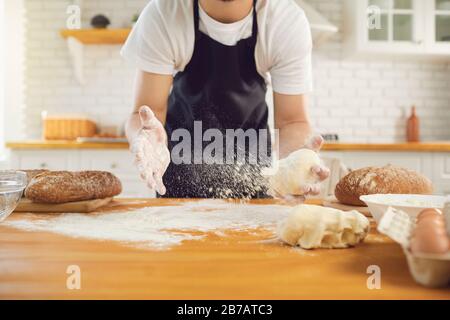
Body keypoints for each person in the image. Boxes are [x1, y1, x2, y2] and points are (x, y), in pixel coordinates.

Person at [121, 0, 329, 199]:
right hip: (178, 194)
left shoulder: (284, 21)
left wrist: (293, 169)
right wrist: (145, 137)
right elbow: (147, 112)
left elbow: (292, 122)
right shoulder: (164, 14)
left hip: (254, 195)